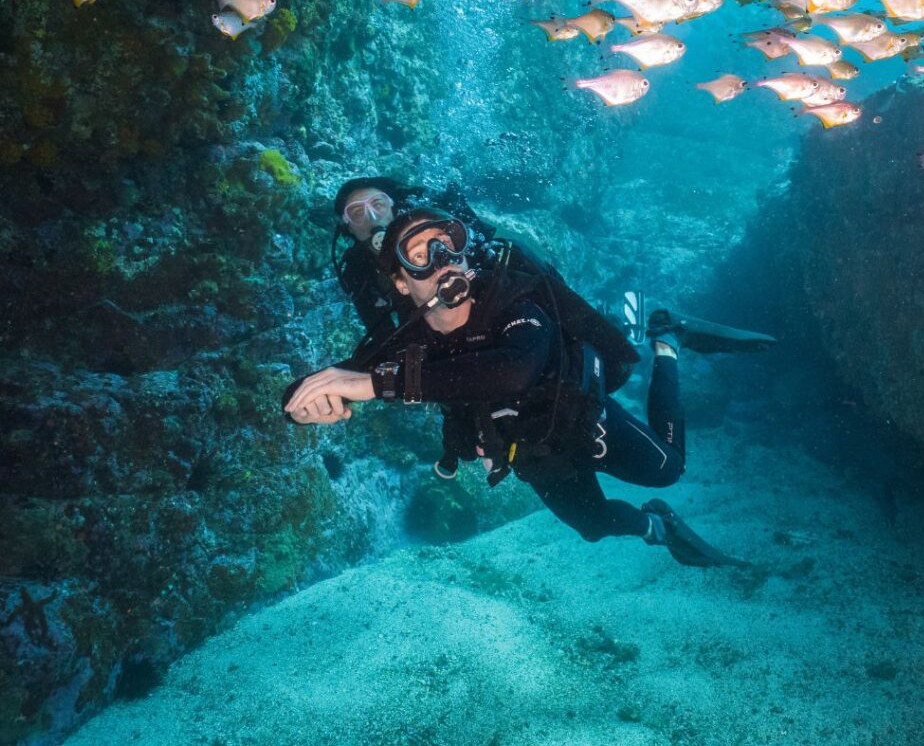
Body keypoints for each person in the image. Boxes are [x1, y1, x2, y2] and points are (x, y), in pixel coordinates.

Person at [284, 208, 774, 566]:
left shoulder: (512, 300)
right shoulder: (405, 338)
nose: (441, 260)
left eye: (447, 244)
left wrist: (376, 385)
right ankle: (656, 527)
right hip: (533, 454)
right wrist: (303, 406)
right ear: (400, 284)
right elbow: (310, 388)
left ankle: (667, 339)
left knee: (668, 469)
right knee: (592, 525)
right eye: (420, 256)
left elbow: (512, 371)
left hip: (583, 419)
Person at [329, 176, 482, 345]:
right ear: (348, 227)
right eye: (357, 213)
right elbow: (383, 336)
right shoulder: (357, 272)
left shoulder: (439, 235)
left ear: (392, 206)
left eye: (378, 204)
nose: (372, 217)